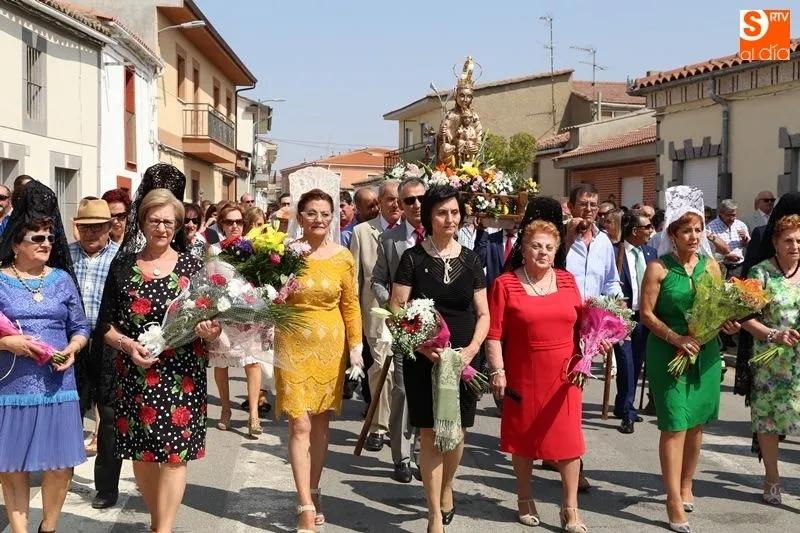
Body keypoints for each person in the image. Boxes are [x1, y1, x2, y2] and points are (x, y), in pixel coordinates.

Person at [93, 165, 221, 533]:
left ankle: (163, 529)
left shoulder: (195, 267)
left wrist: (209, 330)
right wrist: (128, 345)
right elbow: (105, 326)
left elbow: (213, 324)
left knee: (175, 457)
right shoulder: (123, 266)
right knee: (144, 456)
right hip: (135, 373)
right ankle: (156, 521)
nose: (161, 228)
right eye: (154, 220)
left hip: (182, 375)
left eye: (169, 222)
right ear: (143, 221)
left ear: (179, 226)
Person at [487, 196, 599, 532]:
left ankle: (570, 509)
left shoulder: (567, 280)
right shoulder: (504, 284)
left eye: (549, 247)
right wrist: (498, 371)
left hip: (565, 374)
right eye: (536, 246)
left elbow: (583, 327)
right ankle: (524, 497)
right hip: (523, 372)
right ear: (523, 248)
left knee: (568, 443)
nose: (543, 252)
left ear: (556, 249)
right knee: (523, 440)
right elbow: (494, 334)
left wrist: (594, 348)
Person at [389, 185, 489, 533]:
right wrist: (419, 346)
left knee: (456, 432)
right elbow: (396, 310)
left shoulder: (473, 259)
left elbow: (484, 313)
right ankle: (433, 513)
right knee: (430, 432)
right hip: (424, 359)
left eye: (455, 212)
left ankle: (447, 486)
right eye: (442, 213)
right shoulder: (413, 259)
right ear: (429, 217)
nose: (450, 219)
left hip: (463, 360)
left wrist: (473, 349)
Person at [640, 185, 740, 532]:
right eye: (687, 230)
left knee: (696, 422)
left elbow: (718, 308)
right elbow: (646, 314)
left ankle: (686, 483)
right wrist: (676, 337)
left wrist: (726, 322)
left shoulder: (712, 267)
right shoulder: (658, 268)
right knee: (674, 423)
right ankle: (671, 498)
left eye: (698, 229)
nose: (695, 236)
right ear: (673, 234)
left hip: (706, 352)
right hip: (668, 350)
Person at [0, 183, 90, 533]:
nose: (47, 245)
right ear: (17, 243)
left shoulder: (62, 279)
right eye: (38, 238)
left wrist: (74, 348)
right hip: (11, 388)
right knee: (11, 465)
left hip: (59, 386)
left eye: (50, 238)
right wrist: (10, 345)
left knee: (60, 466)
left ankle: (48, 528)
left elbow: (80, 327)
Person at [273, 188, 363, 533]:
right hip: (292, 343)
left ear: (333, 217)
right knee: (300, 424)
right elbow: (273, 299)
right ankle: (304, 506)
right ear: (300, 217)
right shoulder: (287, 254)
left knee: (321, 426)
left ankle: (314, 488)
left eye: (325, 213)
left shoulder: (343, 257)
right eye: (311, 213)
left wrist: (356, 346)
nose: (319, 219)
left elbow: (350, 305)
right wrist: (278, 288)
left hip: (330, 347)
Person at [562, 183, 621, 489]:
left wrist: (616, 315)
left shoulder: (603, 243)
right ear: (570, 206)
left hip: (590, 329)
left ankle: (570, 458)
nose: (588, 210)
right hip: (559, 324)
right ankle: (559, 452)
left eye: (594, 205)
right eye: (583, 204)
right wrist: (567, 238)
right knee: (561, 390)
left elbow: (610, 281)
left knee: (575, 395)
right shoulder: (559, 238)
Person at [740, 214, 800, 505]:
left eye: (799, 240)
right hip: (770, 359)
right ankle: (772, 478)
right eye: (788, 240)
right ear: (775, 242)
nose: (795, 245)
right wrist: (773, 335)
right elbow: (745, 317)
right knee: (769, 421)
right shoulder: (760, 272)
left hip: (799, 361)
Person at [371, 177, 427, 483]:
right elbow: (377, 280)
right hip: (404, 327)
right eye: (410, 200)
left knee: (430, 392)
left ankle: (423, 452)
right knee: (403, 391)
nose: (417, 205)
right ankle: (402, 457)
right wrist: (392, 307)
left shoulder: (442, 234)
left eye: (421, 198)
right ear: (400, 206)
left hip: (437, 331)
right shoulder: (390, 239)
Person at [68, 197, 122, 509]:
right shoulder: (65, 256)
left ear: (110, 227)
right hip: (72, 343)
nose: (91, 233)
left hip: (106, 344)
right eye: (85, 227)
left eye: (98, 227)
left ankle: (106, 488)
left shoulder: (120, 257)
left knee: (110, 418)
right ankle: (61, 477)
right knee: (67, 413)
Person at [350, 180, 402, 452]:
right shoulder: (362, 232)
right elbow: (355, 279)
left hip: (407, 315)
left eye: (399, 199)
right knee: (382, 367)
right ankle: (378, 428)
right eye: (390, 199)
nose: (395, 204)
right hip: (374, 315)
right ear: (379, 202)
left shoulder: (412, 232)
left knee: (399, 375)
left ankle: (394, 425)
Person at [207, 204, 264, 436]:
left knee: (252, 362)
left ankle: (254, 416)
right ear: (221, 224)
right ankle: (225, 410)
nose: (234, 226)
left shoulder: (255, 248)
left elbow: (262, 279)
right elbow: (210, 281)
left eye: (239, 222)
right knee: (222, 364)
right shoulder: (214, 250)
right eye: (229, 222)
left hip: (249, 314)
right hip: (224, 314)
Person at [613, 211, 656, 434]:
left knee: (636, 363)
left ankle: (622, 405)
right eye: (647, 226)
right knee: (626, 363)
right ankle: (628, 413)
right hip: (622, 318)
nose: (651, 230)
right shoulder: (615, 252)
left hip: (644, 317)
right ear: (634, 231)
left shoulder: (651, 253)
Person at [707, 199, 750, 279]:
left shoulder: (741, 225)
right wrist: (725, 256)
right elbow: (708, 252)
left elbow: (749, 246)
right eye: (729, 215)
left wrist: (745, 239)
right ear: (721, 213)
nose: (732, 218)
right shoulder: (710, 228)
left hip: (739, 268)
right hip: (721, 268)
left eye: (734, 215)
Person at [475, 223, 518, 291]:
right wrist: (482, 231)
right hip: (493, 292)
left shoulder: (525, 241)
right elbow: (479, 263)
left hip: (517, 293)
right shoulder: (490, 239)